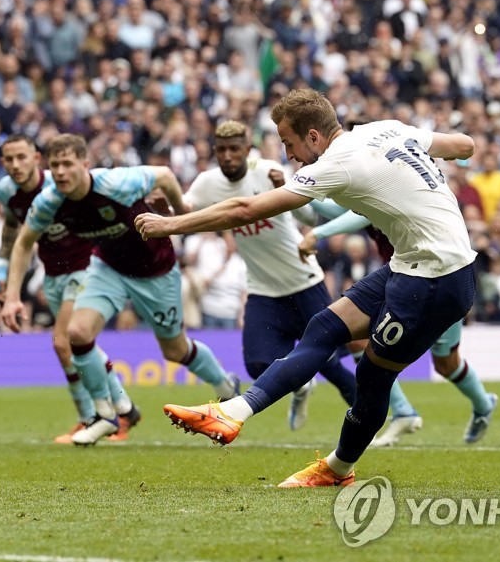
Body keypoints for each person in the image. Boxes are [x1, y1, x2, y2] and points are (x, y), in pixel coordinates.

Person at [136, 89, 477, 487]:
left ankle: (337, 469)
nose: (290, 153)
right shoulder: (385, 129)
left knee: (372, 375)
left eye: (289, 143)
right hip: (411, 265)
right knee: (323, 328)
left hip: (436, 278)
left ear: (313, 136)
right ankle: (234, 411)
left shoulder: (336, 162)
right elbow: (465, 145)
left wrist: (170, 226)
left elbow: (246, 208)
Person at [1, 134, 238, 446]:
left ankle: (225, 386)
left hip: (156, 270)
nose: (60, 172)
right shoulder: (49, 201)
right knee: (78, 333)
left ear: (85, 165)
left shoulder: (117, 183)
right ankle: (105, 415)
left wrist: (180, 213)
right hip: (108, 267)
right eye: (55, 165)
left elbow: (165, 176)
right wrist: (12, 296)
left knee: (175, 350)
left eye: (67, 164)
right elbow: (23, 242)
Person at [182, 120, 357, 431]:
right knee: (257, 365)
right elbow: (185, 208)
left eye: (234, 149)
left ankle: (368, 419)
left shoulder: (266, 171)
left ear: (247, 150)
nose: (228, 156)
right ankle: (302, 386)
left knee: (329, 362)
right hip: (262, 288)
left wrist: (281, 187)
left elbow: (306, 214)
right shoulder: (208, 183)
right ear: (214, 152)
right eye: (221, 150)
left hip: (304, 282)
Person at [298, 204, 498, 445]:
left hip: (439, 277)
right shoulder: (363, 190)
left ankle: (483, 405)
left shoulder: (384, 190)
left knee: (446, 364)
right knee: (358, 338)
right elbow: (337, 209)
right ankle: (404, 412)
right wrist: (297, 194)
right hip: (401, 280)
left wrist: (316, 231)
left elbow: (354, 216)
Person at [0, 135, 138, 443]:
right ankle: (122, 408)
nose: (16, 165)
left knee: (63, 343)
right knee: (78, 343)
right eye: (9, 159)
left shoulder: (60, 184)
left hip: (86, 268)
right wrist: (2, 269)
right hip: (53, 274)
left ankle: (96, 416)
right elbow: (12, 229)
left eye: (22, 157)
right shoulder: (7, 191)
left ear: (36, 158)